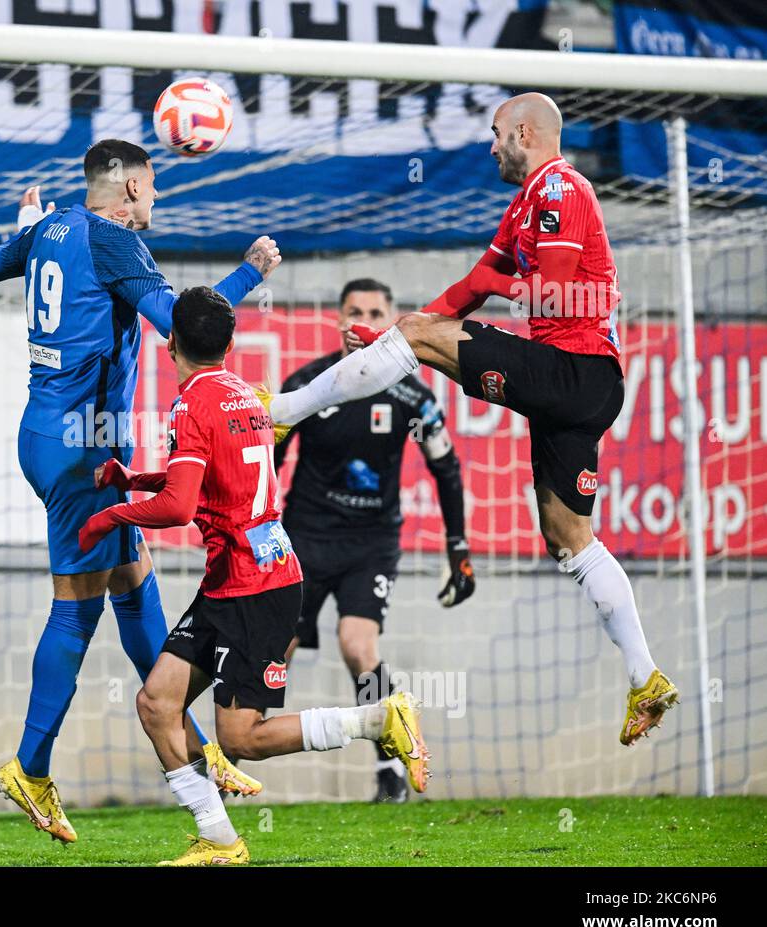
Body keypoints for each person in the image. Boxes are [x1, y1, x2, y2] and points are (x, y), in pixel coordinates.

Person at [257, 93, 677, 746]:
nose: (490, 147)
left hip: (577, 373)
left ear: (525, 133)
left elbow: (556, 287)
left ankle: (281, 413)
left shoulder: (561, 189)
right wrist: (406, 333)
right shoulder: (524, 205)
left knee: (426, 336)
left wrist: (418, 337)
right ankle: (645, 676)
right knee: (568, 535)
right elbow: (476, 282)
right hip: (579, 385)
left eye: (496, 135)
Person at [0, 140, 282, 843]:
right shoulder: (113, 243)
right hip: (80, 450)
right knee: (76, 611)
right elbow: (183, 327)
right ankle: (30, 766)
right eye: (155, 189)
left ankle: (198, 746)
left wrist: (19, 231)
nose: (157, 202)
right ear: (133, 187)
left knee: (135, 587)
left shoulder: (51, 229)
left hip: (59, 435)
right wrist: (249, 273)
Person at [79, 287, 429, 866]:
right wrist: (136, 479)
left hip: (255, 586)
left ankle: (377, 717)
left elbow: (180, 508)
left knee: (241, 738)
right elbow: (209, 479)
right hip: (237, 579)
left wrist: (109, 517)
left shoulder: (191, 404)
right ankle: (219, 841)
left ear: (170, 345)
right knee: (157, 703)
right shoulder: (244, 393)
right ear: (231, 343)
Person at [276, 277, 474, 803]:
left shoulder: (412, 394)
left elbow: (446, 468)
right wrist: (257, 525)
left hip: (371, 543)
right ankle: (232, 755)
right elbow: (270, 453)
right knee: (277, 647)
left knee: (358, 648)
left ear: (389, 321)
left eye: (375, 311)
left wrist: (459, 549)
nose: (362, 317)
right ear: (340, 319)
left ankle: (390, 768)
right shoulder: (309, 383)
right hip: (304, 537)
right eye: (355, 309)